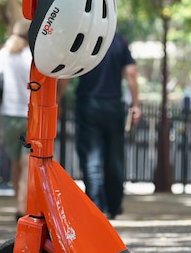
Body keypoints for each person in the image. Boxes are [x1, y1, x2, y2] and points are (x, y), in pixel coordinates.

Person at [60, 32, 140, 219]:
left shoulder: (83, 38)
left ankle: (95, 207)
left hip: (87, 103)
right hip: (113, 103)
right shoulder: (119, 40)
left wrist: (57, 99)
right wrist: (135, 104)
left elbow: (67, 74)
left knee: (91, 159)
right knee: (114, 158)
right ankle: (114, 205)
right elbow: (131, 72)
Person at [0, 20, 33, 219]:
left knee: (15, 163)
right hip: (30, 115)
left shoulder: (5, 53)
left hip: (8, 115)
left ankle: (18, 204)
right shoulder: (34, 55)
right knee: (27, 164)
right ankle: (24, 206)